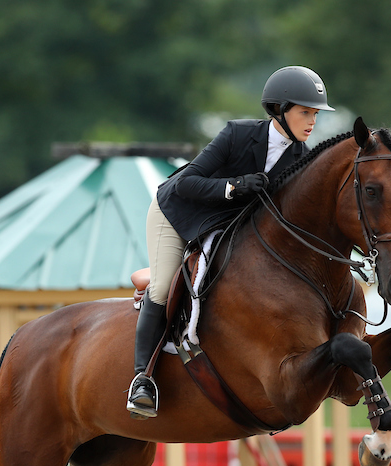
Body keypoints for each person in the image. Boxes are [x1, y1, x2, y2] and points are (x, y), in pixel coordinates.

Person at [126, 66, 334, 418]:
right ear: (278, 110)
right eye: (305, 112)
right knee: (162, 288)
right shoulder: (237, 134)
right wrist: (233, 186)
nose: (312, 121)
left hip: (224, 224)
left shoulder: (302, 158)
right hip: (177, 214)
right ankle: (141, 380)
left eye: (315, 114)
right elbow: (186, 183)